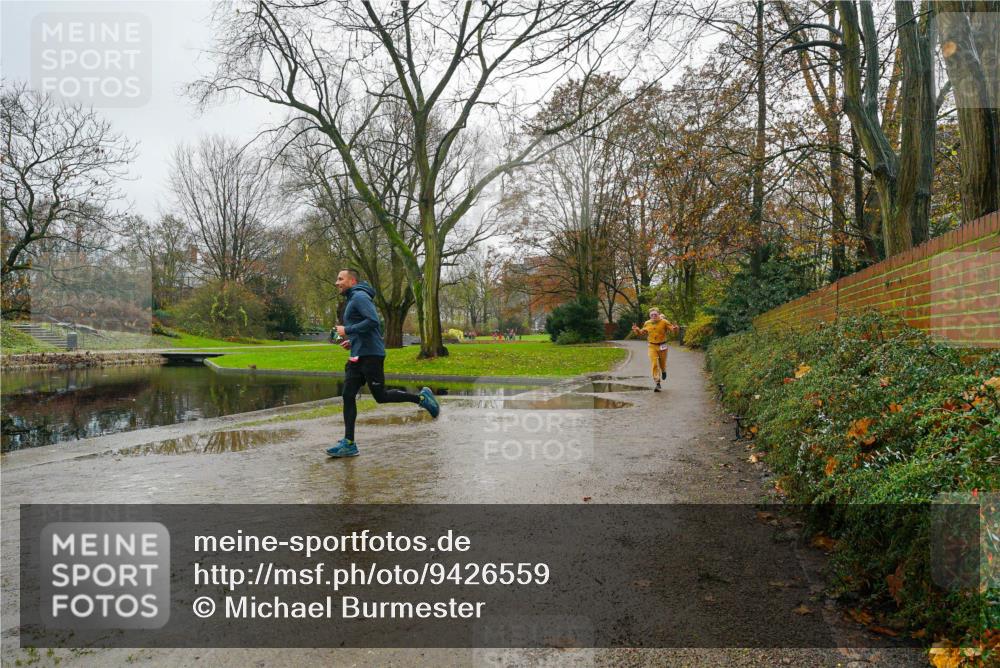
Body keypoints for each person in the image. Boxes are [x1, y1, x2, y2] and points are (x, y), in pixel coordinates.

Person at [326, 269, 439, 458]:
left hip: (371, 355)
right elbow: (365, 328)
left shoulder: (360, 297)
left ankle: (421, 398)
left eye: (340, 279)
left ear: (352, 281)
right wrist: (352, 340)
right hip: (358, 354)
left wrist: (347, 329)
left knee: (381, 396)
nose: (337, 283)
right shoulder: (353, 298)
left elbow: (374, 322)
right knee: (347, 395)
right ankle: (349, 443)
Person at [631, 308, 679, 392]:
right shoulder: (647, 323)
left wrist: (675, 328)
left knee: (662, 363)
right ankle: (657, 382)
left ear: (658, 314)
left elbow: (673, 330)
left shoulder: (664, 322)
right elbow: (642, 333)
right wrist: (637, 330)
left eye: (655, 314)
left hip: (662, 346)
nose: (653, 316)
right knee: (654, 363)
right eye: (651, 315)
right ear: (650, 316)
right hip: (652, 346)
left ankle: (663, 371)